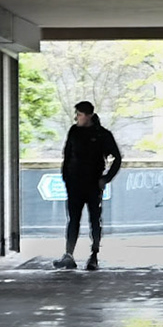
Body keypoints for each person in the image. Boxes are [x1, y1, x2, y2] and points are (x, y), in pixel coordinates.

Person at [55, 100, 122, 270]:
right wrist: (66, 178)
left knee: (95, 220)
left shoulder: (102, 134)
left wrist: (106, 179)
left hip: (93, 184)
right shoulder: (74, 132)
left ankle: (94, 255)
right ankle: (68, 254)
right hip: (75, 184)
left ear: (89, 115)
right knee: (73, 220)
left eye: (79, 114)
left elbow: (117, 158)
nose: (77, 118)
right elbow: (67, 155)